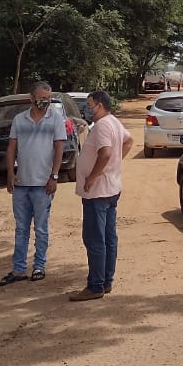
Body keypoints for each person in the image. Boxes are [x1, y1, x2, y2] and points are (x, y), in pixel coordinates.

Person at [0, 82, 64, 286]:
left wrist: (54, 176)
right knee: (21, 229)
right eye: (41, 98)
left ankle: (39, 266)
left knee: (41, 228)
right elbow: (11, 148)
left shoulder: (56, 119)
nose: (45, 102)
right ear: (31, 98)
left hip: (43, 185)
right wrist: (10, 173)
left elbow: (59, 149)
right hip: (21, 184)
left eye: (48, 98)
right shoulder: (19, 120)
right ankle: (18, 269)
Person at [69, 89, 132, 302]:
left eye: (89, 104)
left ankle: (96, 285)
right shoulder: (113, 122)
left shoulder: (104, 125)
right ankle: (105, 281)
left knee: (95, 239)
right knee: (107, 237)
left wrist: (92, 177)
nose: (87, 108)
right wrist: (116, 163)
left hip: (98, 192)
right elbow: (128, 141)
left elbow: (105, 153)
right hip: (110, 189)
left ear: (100, 105)